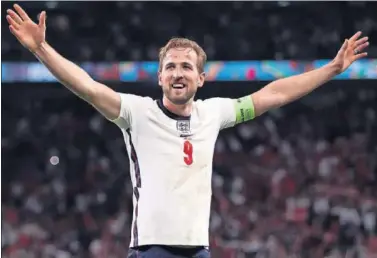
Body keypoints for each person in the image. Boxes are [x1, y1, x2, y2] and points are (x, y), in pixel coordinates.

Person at [6, 4, 369, 258]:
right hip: (151, 249)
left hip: (199, 250)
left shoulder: (215, 113)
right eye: (171, 66)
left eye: (186, 66)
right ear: (160, 76)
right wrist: (41, 49)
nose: (178, 72)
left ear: (201, 77)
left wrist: (332, 69)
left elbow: (273, 94)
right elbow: (86, 86)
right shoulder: (136, 113)